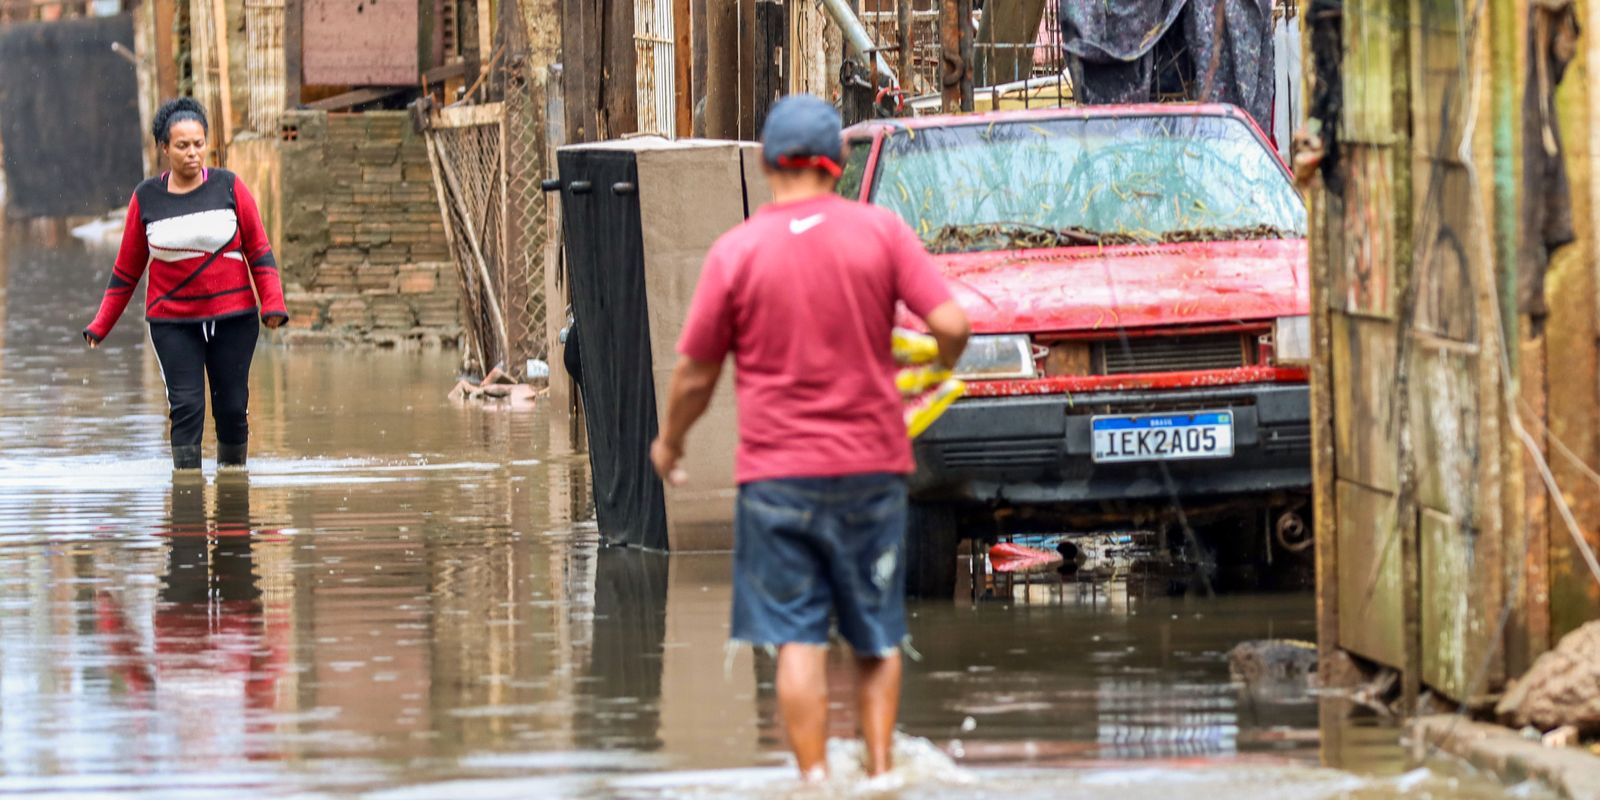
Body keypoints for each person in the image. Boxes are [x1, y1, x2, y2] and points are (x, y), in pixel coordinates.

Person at [649, 94, 970, 781]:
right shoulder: (880, 233)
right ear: (839, 162)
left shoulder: (736, 251)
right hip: (871, 473)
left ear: (768, 162)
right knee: (876, 638)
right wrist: (932, 371)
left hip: (776, 480)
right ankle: (881, 778)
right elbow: (952, 326)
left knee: (797, 639)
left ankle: (814, 782)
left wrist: (669, 444)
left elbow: (694, 375)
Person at [82, 97, 288, 470]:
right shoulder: (146, 197)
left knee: (230, 407)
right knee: (187, 406)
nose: (192, 153)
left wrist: (273, 304)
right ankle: (188, 501)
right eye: (182, 146)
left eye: (198, 144)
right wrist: (101, 325)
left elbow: (259, 250)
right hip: (172, 321)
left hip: (234, 319)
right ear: (164, 148)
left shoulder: (230, 187)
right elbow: (126, 272)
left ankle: (232, 488)